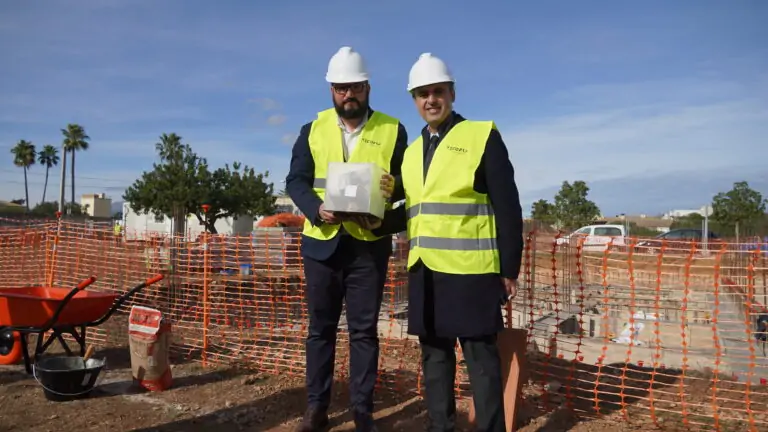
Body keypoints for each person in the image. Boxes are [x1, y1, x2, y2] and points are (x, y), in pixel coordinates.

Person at [372, 53, 524, 432]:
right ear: (414, 99)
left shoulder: (481, 136)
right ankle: (441, 427)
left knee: (482, 364)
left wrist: (508, 269)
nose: (430, 100)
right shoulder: (409, 155)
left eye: (437, 91)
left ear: (452, 93)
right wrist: (372, 218)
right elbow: (410, 211)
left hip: (471, 274)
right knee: (435, 361)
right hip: (424, 271)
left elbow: (508, 207)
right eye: (421, 94)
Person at [285, 46, 408, 432]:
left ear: (367, 87)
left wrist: (393, 190)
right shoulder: (313, 129)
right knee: (319, 331)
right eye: (340, 89)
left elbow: (411, 184)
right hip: (322, 243)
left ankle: (362, 411)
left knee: (363, 332)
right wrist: (317, 209)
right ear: (331, 90)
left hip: (368, 247)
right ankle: (316, 408)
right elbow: (296, 181)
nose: (347, 95)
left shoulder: (393, 129)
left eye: (354, 87)